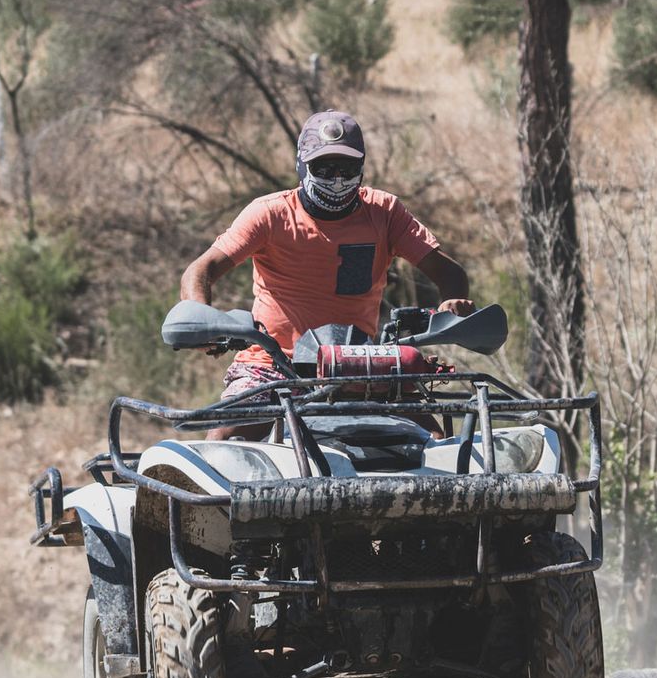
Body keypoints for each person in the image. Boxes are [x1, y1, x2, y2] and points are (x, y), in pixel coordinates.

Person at [179, 110, 472, 437]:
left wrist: (453, 303)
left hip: (355, 367)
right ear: (302, 166)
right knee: (225, 434)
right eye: (324, 167)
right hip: (271, 366)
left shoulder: (384, 213)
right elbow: (201, 270)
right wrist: (201, 321)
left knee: (436, 443)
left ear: (360, 169)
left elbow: (450, 274)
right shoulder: (271, 214)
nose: (336, 179)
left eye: (346, 168)